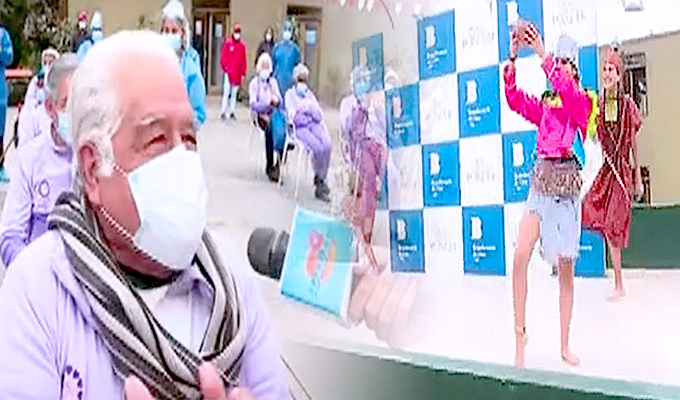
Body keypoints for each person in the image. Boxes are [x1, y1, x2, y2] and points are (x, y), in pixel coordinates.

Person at [0, 31, 290, 400]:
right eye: (156, 141)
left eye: (189, 139)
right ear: (93, 168)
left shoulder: (232, 281)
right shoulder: (38, 291)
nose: (181, 160)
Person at [504, 28, 592, 368]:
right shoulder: (547, 103)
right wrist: (513, 58)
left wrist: (543, 54)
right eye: (560, 61)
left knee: (566, 271)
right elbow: (515, 100)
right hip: (540, 185)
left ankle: (564, 345)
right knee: (520, 257)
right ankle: (519, 339)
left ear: (575, 70)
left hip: (566, 192)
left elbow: (569, 95)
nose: (562, 67)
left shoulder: (582, 101)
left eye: (567, 62)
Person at [0, 54, 79, 268]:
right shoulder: (30, 160)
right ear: (50, 108)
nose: (75, 113)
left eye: (80, 103)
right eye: (66, 104)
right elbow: (10, 237)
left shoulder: (99, 159)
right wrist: (35, 275)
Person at [582, 46, 643, 301]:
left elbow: (633, 143)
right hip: (606, 170)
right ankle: (618, 282)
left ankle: (619, 284)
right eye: (605, 69)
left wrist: (637, 176)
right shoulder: (598, 106)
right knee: (596, 215)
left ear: (619, 76)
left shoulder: (627, 105)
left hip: (621, 171)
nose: (607, 73)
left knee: (614, 224)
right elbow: (594, 136)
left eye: (611, 69)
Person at [339, 65, 388, 244]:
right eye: (360, 80)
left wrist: (379, 109)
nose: (363, 84)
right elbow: (346, 130)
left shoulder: (374, 101)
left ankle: (396, 222)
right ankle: (365, 229)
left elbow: (385, 129)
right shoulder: (347, 103)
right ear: (353, 84)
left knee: (392, 176)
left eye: (366, 80)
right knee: (368, 178)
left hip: (377, 148)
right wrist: (359, 109)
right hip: (357, 149)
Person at [284, 64, 332, 202]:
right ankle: (319, 182)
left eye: (305, 80)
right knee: (317, 148)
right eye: (300, 79)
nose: (303, 83)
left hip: (314, 125)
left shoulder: (310, 95)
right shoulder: (290, 95)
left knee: (327, 145)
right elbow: (293, 116)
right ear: (295, 80)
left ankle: (321, 176)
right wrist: (307, 111)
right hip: (300, 129)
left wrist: (306, 110)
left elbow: (318, 114)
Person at [161, 0, 207, 130]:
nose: (169, 35)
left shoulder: (190, 68)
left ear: (183, 34)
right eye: (166, 30)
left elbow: (198, 113)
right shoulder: (155, 61)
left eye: (174, 31)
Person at [249, 53, 283, 183]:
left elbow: (280, 100)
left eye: (267, 67)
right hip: (261, 115)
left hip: (274, 114)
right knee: (269, 130)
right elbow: (253, 104)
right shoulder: (254, 83)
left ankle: (278, 164)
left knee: (282, 130)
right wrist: (266, 105)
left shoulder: (273, 82)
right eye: (263, 67)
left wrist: (276, 100)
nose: (265, 70)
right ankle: (269, 165)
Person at [16, 48, 59, 148]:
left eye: (51, 62)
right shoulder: (37, 80)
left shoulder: (58, 80)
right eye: (45, 62)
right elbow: (29, 99)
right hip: (37, 113)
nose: (47, 65)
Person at [220, 23, 247, 121]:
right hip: (228, 73)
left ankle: (232, 111)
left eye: (238, 32)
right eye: (236, 32)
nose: (237, 34)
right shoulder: (228, 44)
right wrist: (226, 68)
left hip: (237, 74)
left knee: (234, 94)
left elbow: (243, 60)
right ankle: (223, 111)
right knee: (226, 92)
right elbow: (223, 57)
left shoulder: (241, 46)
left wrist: (243, 73)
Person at [272, 20, 300, 106]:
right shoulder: (277, 47)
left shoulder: (295, 49)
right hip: (277, 79)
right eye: (285, 29)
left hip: (290, 80)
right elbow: (273, 64)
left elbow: (297, 66)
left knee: (288, 104)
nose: (287, 33)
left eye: (289, 30)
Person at [0, 25, 13, 182]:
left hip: (0, 93)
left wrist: (1, 51)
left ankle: (0, 166)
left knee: (0, 131)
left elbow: (9, 57)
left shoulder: (2, 35)